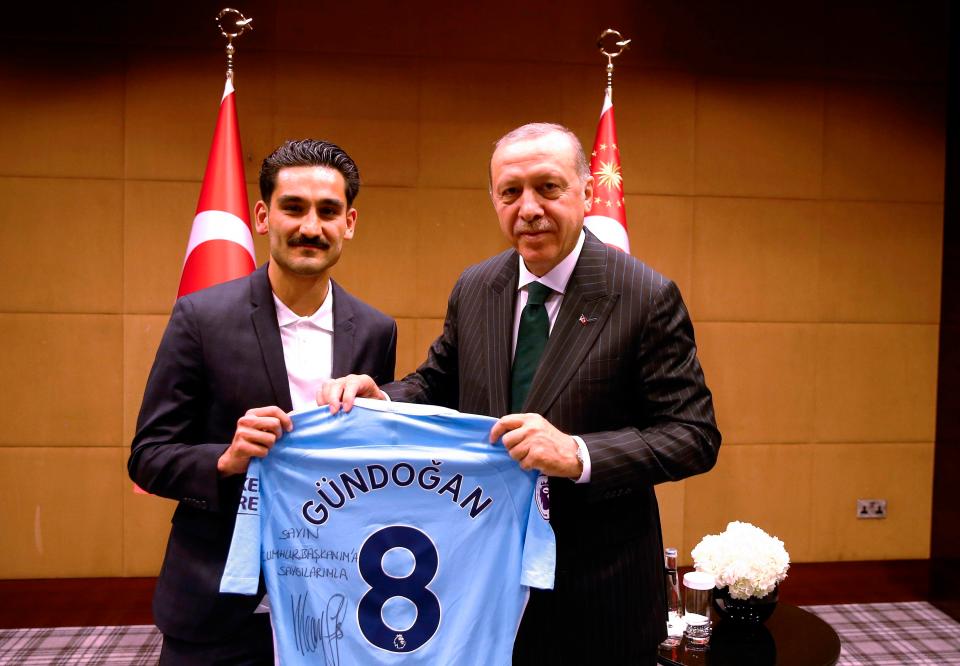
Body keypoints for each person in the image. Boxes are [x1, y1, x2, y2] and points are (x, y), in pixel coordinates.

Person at [320, 123, 721, 664]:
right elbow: (439, 380)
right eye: (510, 192)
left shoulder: (645, 296)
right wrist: (381, 398)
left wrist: (578, 454)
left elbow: (692, 436)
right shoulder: (477, 286)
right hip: (478, 574)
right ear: (494, 199)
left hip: (598, 585)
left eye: (548, 188)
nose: (528, 208)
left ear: (583, 191)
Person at [128, 139, 397, 665]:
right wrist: (224, 460)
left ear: (350, 222)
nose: (310, 227)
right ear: (261, 216)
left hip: (336, 600)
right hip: (216, 603)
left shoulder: (375, 330)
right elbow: (148, 455)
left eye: (328, 211)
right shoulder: (200, 318)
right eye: (293, 208)